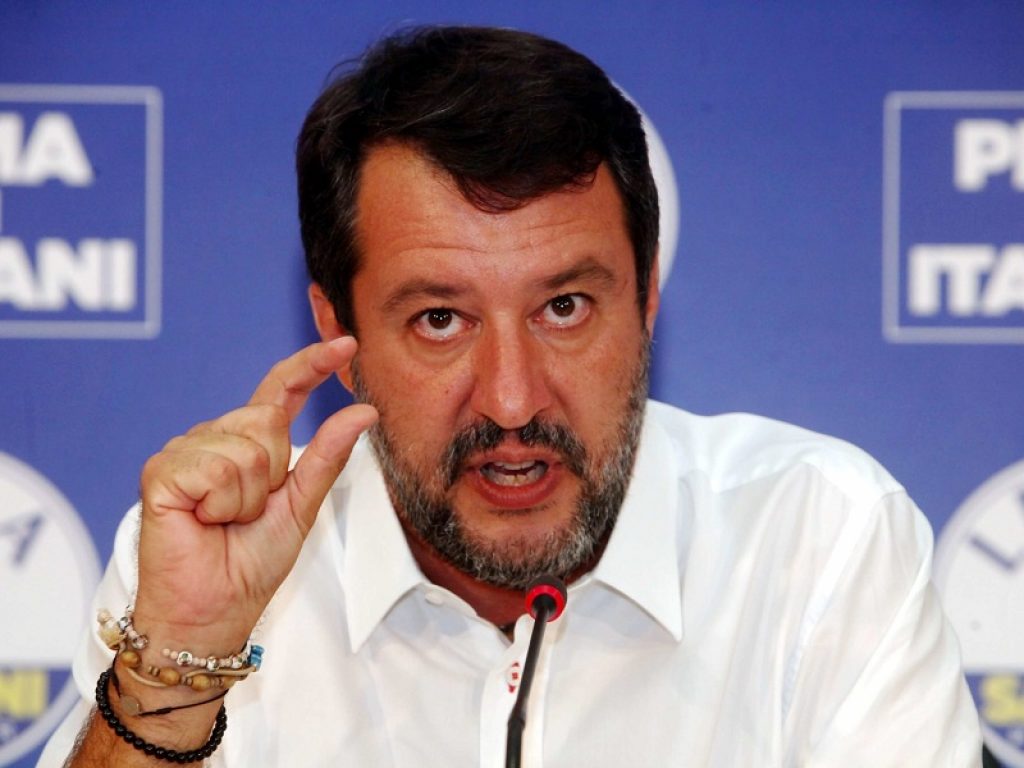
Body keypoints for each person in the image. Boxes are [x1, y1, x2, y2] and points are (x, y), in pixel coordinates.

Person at [42, 25, 981, 767]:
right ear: (339, 334)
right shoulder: (216, 560)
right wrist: (173, 674)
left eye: (564, 308)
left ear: (648, 301)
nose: (511, 399)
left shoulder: (818, 539)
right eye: (440, 319)